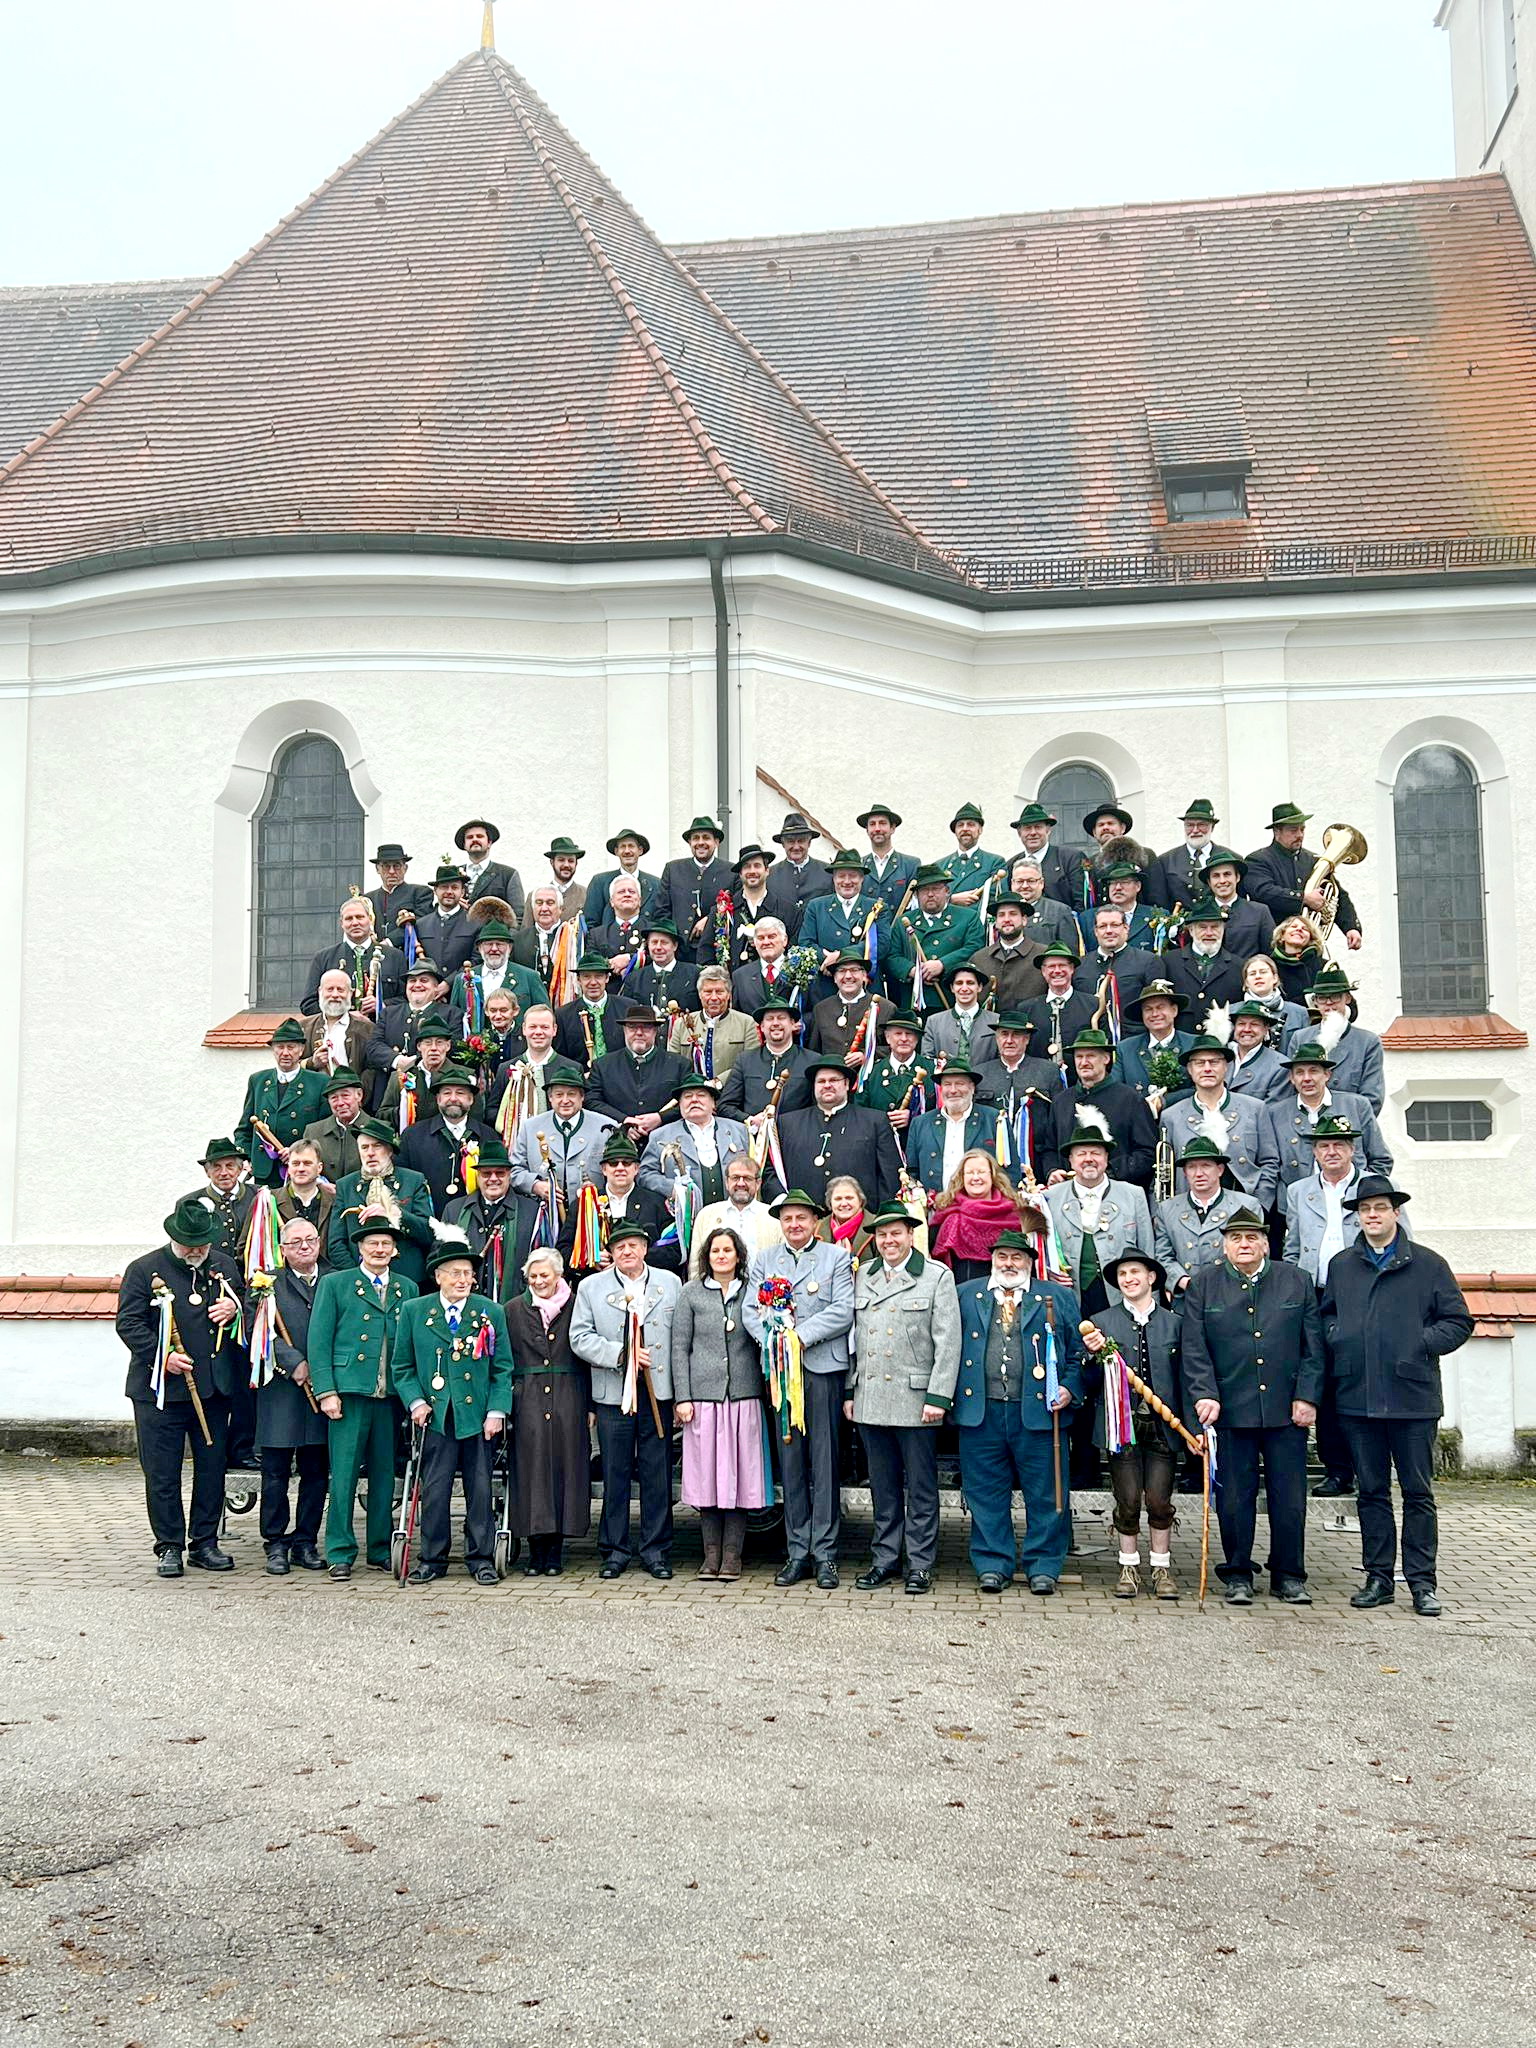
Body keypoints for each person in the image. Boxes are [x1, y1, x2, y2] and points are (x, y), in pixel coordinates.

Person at [1321, 1177, 1473, 1617]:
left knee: (1417, 1493)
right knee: (1371, 1492)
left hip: (1412, 1397)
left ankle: (1423, 1583)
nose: (1372, 1216)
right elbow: (1327, 1315)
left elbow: (1458, 1321)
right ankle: (1379, 1578)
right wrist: (1340, 1338)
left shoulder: (1428, 1264)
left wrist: (1419, 1343)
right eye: (1365, 1209)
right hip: (1357, 1395)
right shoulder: (1342, 1265)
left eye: (1380, 1208)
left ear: (1396, 1213)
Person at [1180, 1207, 1323, 1606]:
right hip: (1229, 1409)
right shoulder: (1204, 1284)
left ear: (1265, 1243)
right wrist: (1204, 1393)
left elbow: (1313, 1348)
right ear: (1224, 1245)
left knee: (1289, 1498)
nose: (1244, 1244)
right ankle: (1238, 1573)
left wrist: (1307, 1396)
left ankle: (1289, 1575)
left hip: (1286, 1409)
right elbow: (1194, 1347)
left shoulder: (1296, 1281)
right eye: (1236, 1238)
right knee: (1234, 1499)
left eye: (1252, 1238)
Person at [115, 1196, 246, 1577]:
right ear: (174, 1238)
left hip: (213, 1390)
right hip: (160, 1393)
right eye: (189, 1245)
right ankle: (169, 1545)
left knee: (212, 1470)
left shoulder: (222, 1265)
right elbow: (129, 1323)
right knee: (162, 1473)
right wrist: (163, 1357)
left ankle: (204, 1543)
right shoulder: (144, 1270)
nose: (196, 1252)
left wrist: (234, 1308)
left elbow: (244, 1304)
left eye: (202, 1245)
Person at [952, 1227, 1082, 1593]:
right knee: (985, 1493)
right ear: (992, 1260)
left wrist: (1069, 1388)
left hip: (1039, 1412)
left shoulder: (1056, 1297)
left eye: (1017, 1257)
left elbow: (1077, 1353)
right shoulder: (965, 1295)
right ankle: (993, 1563)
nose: (1009, 1263)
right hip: (981, 1411)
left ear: (1030, 1262)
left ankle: (1044, 1566)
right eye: (1002, 1257)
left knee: (1046, 1493)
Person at [846, 1204, 961, 1594]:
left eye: (896, 1233)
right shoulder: (863, 1276)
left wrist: (938, 1396)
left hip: (916, 1400)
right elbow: (852, 1340)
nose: (889, 1241)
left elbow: (948, 1342)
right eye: (882, 1235)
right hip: (871, 1397)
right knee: (883, 1487)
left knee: (922, 1488)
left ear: (911, 1235)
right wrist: (850, 1390)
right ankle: (885, 1559)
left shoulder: (936, 1276)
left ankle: (921, 1564)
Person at [746, 1190, 856, 1587]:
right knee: (790, 1461)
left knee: (824, 1462)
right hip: (780, 1372)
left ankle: (824, 1554)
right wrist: (775, 1340)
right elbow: (750, 1310)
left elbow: (843, 1309)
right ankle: (796, 1552)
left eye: (801, 1218)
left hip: (820, 1367)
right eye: (788, 1218)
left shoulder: (836, 1258)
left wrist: (799, 1337)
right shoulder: (764, 1260)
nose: (794, 1225)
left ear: (815, 1221)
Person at [392, 1235, 512, 1585]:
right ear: (438, 1276)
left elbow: (503, 1368)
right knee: (434, 1490)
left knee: (480, 1488)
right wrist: (415, 1402)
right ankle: (432, 1558)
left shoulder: (490, 1312)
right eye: (455, 1273)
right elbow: (402, 1366)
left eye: (468, 1274)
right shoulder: (415, 1311)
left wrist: (497, 1411)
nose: (463, 1280)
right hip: (436, 1416)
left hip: (477, 1416)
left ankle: (481, 1558)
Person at [308, 1217, 418, 1580]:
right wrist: (326, 1391)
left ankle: (380, 1549)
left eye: (386, 1244)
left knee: (384, 1476)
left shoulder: (407, 1288)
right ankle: (339, 1551)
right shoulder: (335, 1284)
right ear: (360, 1247)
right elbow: (319, 1341)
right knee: (343, 1476)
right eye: (373, 1243)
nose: (379, 1249)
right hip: (349, 1393)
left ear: (395, 1249)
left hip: (390, 1396)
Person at [571, 1220, 682, 1579]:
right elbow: (579, 1337)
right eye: (620, 1247)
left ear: (645, 1249)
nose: (627, 1251)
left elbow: (681, 1339)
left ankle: (656, 1550)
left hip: (657, 1392)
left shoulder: (671, 1283)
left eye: (633, 1245)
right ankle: (615, 1551)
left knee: (656, 1473)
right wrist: (622, 1354)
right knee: (615, 1472)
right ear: (611, 1253)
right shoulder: (591, 1287)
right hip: (613, 1393)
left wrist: (680, 1394)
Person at [1081, 1251, 1190, 1599]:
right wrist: (1091, 1355)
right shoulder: (1101, 1321)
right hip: (1121, 1426)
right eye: (1123, 1274)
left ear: (1151, 1278)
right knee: (1127, 1500)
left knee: (1158, 1500)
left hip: (1163, 1426)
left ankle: (1161, 1568)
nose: (1129, 1279)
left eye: (1135, 1272)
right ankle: (1128, 1567)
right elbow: (1089, 1381)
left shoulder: (1175, 1323)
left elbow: (1186, 1377)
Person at [672, 1226, 770, 1580]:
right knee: (707, 1480)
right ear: (707, 1256)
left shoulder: (754, 1292)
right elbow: (679, 1347)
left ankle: (732, 1557)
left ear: (739, 1255)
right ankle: (710, 1556)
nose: (722, 1256)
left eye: (728, 1250)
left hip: (743, 1398)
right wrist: (683, 1397)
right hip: (704, 1401)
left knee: (739, 1479)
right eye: (715, 1251)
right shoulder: (691, 1293)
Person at [504, 1247, 592, 1574]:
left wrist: (591, 1405)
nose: (539, 1281)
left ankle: (555, 1550)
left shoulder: (578, 1305)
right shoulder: (512, 1309)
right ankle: (534, 1549)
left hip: (570, 1395)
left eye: (545, 1275)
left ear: (559, 1276)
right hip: (527, 1398)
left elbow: (588, 1358)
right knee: (531, 1470)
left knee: (566, 1469)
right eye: (534, 1276)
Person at [257, 1215, 332, 1575]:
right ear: (283, 1249)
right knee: (275, 1473)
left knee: (316, 1472)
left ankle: (305, 1541)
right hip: (281, 1392)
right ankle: (275, 1542)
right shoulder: (266, 1284)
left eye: (310, 1240)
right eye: (295, 1242)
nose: (304, 1246)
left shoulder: (336, 1279)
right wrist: (293, 1362)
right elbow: (257, 1333)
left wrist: (320, 1368)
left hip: (323, 1388)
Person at [1157, 1034, 1280, 1214]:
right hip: (1189, 1210)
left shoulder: (1254, 1108)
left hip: (1244, 1208)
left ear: (1226, 1067)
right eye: (1199, 1063)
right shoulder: (1171, 1116)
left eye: (1214, 1062)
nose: (1207, 1068)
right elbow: (1163, 1173)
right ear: (1190, 1069)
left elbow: (1270, 1161)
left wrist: (1259, 1205)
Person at [772, 1058, 902, 1209]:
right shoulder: (787, 1123)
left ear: (846, 1084)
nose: (827, 1085)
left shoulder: (875, 1121)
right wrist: (785, 1203)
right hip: (803, 1216)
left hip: (862, 1217)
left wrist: (882, 1214)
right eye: (821, 1081)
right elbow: (771, 1170)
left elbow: (890, 1174)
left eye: (834, 1080)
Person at [1265, 1039, 1392, 1194]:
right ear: (1291, 1078)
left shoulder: (1356, 1105)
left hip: (1351, 1200)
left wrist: (1364, 1193)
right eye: (1299, 1072)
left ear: (1327, 1075)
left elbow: (1381, 1160)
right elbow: (1271, 1165)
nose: (1306, 1078)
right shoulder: (1276, 1113)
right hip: (1297, 1202)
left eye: (1313, 1071)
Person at [328, 1116, 435, 1288]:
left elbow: (428, 1234)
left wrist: (394, 1214)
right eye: (364, 1147)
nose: (370, 1153)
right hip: (358, 1283)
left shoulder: (413, 1180)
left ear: (390, 1150)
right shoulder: (345, 1186)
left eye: (377, 1146)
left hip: (408, 1281)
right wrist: (357, 1275)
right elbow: (336, 1243)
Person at [1244, 801, 1363, 951]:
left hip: (1309, 946)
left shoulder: (1313, 860)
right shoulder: (1258, 860)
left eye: (1302, 829)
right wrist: (1303, 898)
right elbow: (1263, 891)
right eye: (1293, 830)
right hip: (1272, 944)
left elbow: (1339, 895)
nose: (1300, 835)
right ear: (1277, 832)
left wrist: (1351, 928)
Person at [1045, 1030, 1158, 1186]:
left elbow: (1147, 1152)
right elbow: (1049, 1148)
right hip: (1069, 1192)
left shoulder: (1130, 1099)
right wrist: (1053, 1170)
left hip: (1117, 1191)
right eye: (1079, 1057)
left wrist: (1110, 1172)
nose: (1084, 1062)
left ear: (1106, 1058)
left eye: (1090, 1056)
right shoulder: (1061, 1101)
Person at [559, 1129, 674, 1280]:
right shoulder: (584, 1203)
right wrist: (590, 1259)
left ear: (636, 1168)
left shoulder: (656, 1203)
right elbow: (563, 1250)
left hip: (646, 1283)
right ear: (604, 1169)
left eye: (627, 1163)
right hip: (596, 1283)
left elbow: (673, 1249)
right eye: (613, 1163)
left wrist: (631, 1260)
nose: (620, 1168)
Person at [511, 1058, 617, 1215]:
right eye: (559, 1095)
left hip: (593, 1216)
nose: (565, 1101)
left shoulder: (607, 1127)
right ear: (550, 1098)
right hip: (544, 1215)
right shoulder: (530, 1127)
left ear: (582, 1097)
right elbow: (514, 1170)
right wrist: (535, 1185)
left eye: (571, 1094)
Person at [233, 1019, 329, 1185]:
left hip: (301, 1170)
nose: (285, 1053)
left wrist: (296, 1152)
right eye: (280, 1047)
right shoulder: (258, 1080)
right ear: (273, 1050)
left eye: (291, 1047)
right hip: (264, 1171)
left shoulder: (319, 1082)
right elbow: (244, 1130)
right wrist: (246, 1158)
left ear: (301, 1050)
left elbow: (324, 1131)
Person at [1153, 1133, 1251, 1293]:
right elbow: (1163, 1256)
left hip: (1233, 1293)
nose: (1199, 1173)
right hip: (1186, 1295)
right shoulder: (1167, 1209)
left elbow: (1252, 1254)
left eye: (1206, 1165)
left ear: (1220, 1170)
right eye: (1191, 1167)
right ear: (1185, 1173)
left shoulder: (1246, 1205)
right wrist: (1184, 1282)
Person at [638, 1076, 752, 1209]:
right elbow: (645, 1173)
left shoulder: (739, 1130)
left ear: (713, 1103)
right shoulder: (660, 1136)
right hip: (684, 1216)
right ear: (680, 1104)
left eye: (701, 1095)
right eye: (688, 1096)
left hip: (735, 1212)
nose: (694, 1100)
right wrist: (672, 1188)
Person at [585, 1003, 693, 1142]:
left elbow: (691, 1100)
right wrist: (623, 1121)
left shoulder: (679, 1065)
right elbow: (591, 1100)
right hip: (617, 1144)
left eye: (646, 1027)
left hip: (667, 1142)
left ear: (655, 1031)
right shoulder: (603, 1065)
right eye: (632, 1027)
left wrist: (660, 1118)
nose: (639, 1032)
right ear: (624, 1030)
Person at [1285, 964, 1385, 1114]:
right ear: (1315, 1001)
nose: (1329, 1003)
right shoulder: (1300, 1038)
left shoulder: (1367, 1042)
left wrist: (1341, 1125)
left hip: (1348, 1122)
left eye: (1335, 996)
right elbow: (1290, 1090)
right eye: (1322, 998)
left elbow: (1372, 1098)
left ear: (1347, 998)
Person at [398, 1065, 496, 1211]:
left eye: (460, 1093)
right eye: (447, 1093)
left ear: (471, 1099)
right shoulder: (412, 1136)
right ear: (438, 1099)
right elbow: (403, 1182)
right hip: (427, 1218)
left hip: (475, 1219)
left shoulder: (488, 1136)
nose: (453, 1098)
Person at [904, 1060, 1003, 1199]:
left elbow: (1009, 1168)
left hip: (982, 1205)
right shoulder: (920, 1123)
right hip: (934, 1206)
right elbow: (912, 1172)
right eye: (947, 1084)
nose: (953, 1090)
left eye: (960, 1083)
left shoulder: (993, 1119)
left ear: (972, 1087)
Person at [300, 894, 404, 1018]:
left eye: (360, 917)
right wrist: (344, 1015)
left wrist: (382, 1004)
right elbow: (308, 1005)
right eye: (349, 918)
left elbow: (407, 999)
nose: (355, 923)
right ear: (342, 923)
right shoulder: (323, 958)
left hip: (383, 1027)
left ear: (370, 919)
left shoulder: (395, 956)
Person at [931, 1149, 1027, 1283]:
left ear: (992, 1175)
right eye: (970, 1173)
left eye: (981, 1172)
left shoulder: (1015, 1213)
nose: (976, 1177)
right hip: (963, 1291)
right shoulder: (949, 1215)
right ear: (962, 1177)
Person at [648, 816, 734, 963]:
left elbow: (734, 906)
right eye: (695, 838)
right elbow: (662, 910)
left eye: (706, 837)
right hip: (680, 952)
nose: (700, 842)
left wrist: (710, 919)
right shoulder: (673, 869)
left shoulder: (731, 872)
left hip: (715, 951)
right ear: (690, 843)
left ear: (716, 842)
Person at [894, 866, 984, 1004]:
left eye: (936, 889)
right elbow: (892, 956)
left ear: (947, 891)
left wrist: (942, 964)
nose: (930, 894)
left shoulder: (968, 917)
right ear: (916, 895)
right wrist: (913, 971)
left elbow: (975, 947)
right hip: (913, 1001)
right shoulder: (903, 922)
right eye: (924, 890)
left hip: (952, 999)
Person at [444, 1134, 519, 1299]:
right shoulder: (454, 1210)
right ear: (477, 1176)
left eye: (500, 1173)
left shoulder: (531, 1212)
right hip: (464, 1302)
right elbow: (439, 1258)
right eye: (486, 1173)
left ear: (509, 1175)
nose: (493, 1179)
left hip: (512, 1303)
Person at [718, 996, 813, 1119]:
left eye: (781, 1018)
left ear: (793, 1024)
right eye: (770, 1019)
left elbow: (817, 1109)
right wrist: (750, 1120)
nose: (775, 1023)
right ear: (762, 1027)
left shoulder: (811, 1061)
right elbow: (725, 1106)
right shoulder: (745, 1060)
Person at [689, 1154, 782, 1275]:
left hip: (762, 1286)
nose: (741, 1183)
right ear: (727, 1182)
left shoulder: (773, 1217)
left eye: (747, 1178)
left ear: (758, 1183)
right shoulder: (706, 1215)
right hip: (716, 1286)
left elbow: (782, 1263)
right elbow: (695, 1266)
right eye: (735, 1178)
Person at [1161, 900, 1246, 1025]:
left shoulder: (1239, 966)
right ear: (1191, 930)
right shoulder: (1169, 962)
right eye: (1202, 927)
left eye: (1215, 927)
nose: (1209, 933)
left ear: (1223, 930)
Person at [807, 948, 895, 1064]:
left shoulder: (885, 1008)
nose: (848, 976)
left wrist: (867, 1055)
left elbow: (894, 1048)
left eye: (854, 970)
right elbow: (813, 1052)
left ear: (864, 975)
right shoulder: (821, 1009)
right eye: (842, 971)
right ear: (835, 978)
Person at [1111, 980, 1196, 1097]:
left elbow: (1201, 1088)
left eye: (1160, 1007)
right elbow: (1116, 1089)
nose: (1155, 1014)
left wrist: (1164, 1101)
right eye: (1148, 1009)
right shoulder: (1125, 1048)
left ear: (1174, 1010)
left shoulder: (1193, 1044)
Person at [967, 890, 1048, 1012]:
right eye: (1001, 915)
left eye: (1013, 914)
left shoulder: (1043, 956)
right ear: (996, 922)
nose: (1007, 919)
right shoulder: (979, 959)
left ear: (1024, 920)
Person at [1019, 942, 1097, 1065]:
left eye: (1062, 965)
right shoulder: (1026, 1009)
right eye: (1051, 966)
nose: (1057, 971)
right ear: (1043, 971)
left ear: (1072, 969)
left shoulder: (1093, 1005)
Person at [670, 966, 754, 1081]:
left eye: (719, 992)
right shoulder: (681, 1024)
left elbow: (750, 1063)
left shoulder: (746, 1023)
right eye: (708, 992)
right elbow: (673, 1064)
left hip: (731, 1089)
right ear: (700, 994)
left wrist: (719, 1082)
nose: (714, 997)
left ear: (728, 994)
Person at [180, 1136, 254, 1259]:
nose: (223, 1173)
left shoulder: (259, 1195)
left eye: (230, 1166)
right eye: (216, 1167)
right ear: (207, 1172)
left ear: (240, 1169)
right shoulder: (189, 1203)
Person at [556, 952, 629, 1066]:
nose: (593, 982)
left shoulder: (626, 1007)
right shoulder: (563, 1015)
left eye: (598, 976)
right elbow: (561, 1058)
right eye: (586, 977)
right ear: (578, 980)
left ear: (607, 978)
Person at [1202, 847, 1274, 958]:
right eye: (1216, 876)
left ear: (1237, 877)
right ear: (1209, 882)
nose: (1222, 881)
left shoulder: (1259, 912)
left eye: (1227, 874)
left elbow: (1270, 952)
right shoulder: (1200, 912)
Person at [921, 963, 997, 1068]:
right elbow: (927, 1061)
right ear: (952, 988)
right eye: (959, 983)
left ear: (979, 987)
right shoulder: (934, 1022)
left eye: (970, 983)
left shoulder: (996, 1020)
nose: (964, 988)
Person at [582, 827, 661, 928]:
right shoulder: (600, 882)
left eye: (631, 846)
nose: (627, 851)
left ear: (640, 850)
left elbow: (660, 922)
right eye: (623, 847)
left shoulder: (655, 884)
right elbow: (590, 922)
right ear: (616, 851)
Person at [303, 967, 375, 1077]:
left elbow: (373, 1070)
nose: (335, 995)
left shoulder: (367, 1029)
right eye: (330, 989)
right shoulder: (303, 1028)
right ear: (320, 992)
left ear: (351, 993)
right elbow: (288, 1066)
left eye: (340, 989)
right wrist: (311, 1063)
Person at [1009, 801, 1083, 907]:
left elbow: (1080, 902)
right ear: (1019, 833)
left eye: (1038, 827)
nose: (1033, 832)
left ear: (1048, 830)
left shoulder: (1070, 858)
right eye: (1027, 828)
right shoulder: (1011, 865)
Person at [259, 1138, 334, 1242]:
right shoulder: (268, 1200)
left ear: (319, 1168)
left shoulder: (335, 1200)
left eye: (307, 1163)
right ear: (289, 1167)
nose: (301, 1169)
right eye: (295, 1163)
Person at [413, 860, 479, 978]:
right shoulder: (421, 925)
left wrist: (448, 983)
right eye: (444, 887)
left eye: (454, 887)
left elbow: (477, 960)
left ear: (462, 892)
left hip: (462, 986)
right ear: (435, 891)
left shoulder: (475, 923)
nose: (449, 892)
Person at [303, 1067, 369, 1182]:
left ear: (359, 1095)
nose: (340, 1103)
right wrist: (320, 1184)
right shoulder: (313, 1132)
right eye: (334, 1098)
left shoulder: (376, 1130)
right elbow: (306, 1169)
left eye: (345, 1096)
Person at [1154, 796, 1221, 908]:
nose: (1195, 830)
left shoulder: (1233, 857)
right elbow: (1160, 900)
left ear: (1212, 827)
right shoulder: (1166, 860)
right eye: (1190, 825)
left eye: (1201, 825)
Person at [454, 816, 524, 919]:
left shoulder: (508, 874)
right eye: (470, 837)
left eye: (480, 836)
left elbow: (518, 916)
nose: (475, 839)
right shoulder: (453, 873)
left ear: (489, 843)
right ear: (464, 845)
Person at [1004, 859, 1082, 951]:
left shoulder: (1060, 911)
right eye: (1020, 881)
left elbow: (1069, 951)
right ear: (1012, 883)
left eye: (1031, 881)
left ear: (1041, 883)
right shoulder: (1003, 913)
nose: (1025, 886)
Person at [1226, 1000, 1292, 1108]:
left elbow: (1273, 1111)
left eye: (1254, 1024)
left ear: (1266, 1029)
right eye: (1241, 1024)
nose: (1247, 1029)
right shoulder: (1220, 1058)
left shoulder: (1280, 1067)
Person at [940, 801, 1006, 907]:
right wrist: (951, 899)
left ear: (980, 830)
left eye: (971, 824)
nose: (965, 828)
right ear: (955, 831)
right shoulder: (940, 866)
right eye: (960, 825)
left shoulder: (994, 862)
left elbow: (996, 899)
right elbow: (931, 900)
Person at [589, 874, 649, 983]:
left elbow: (661, 957)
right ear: (611, 901)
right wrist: (611, 964)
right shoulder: (597, 935)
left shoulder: (653, 930)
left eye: (632, 891)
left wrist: (630, 959)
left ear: (640, 900)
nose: (627, 894)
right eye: (621, 892)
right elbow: (591, 964)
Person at [1239, 952, 1308, 1042]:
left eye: (1263, 972)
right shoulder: (1232, 1012)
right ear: (1246, 982)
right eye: (1252, 974)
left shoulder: (1299, 1013)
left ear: (1275, 978)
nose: (1258, 976)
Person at [770, 811, 832, 911]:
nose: (796, 847)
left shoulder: (828, 872)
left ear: (809, 843)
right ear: (783, 844)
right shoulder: (769, 875)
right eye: (790, 841)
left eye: (801, 841)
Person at [366, 841, 432, 934]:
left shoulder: (420, 893)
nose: (392, 871)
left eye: (397, 866)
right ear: (377, 869)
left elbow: (420, 923)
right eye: (386, 866)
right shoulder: (368, 899)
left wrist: (390, 940)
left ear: (405, 868)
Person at [511, 886, 571, 987]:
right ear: (533, 908)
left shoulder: (572, 937)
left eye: (550, 903)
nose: (544, 908)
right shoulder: (518, 940)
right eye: (539, 903)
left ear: (560, 909)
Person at [857, 801, 919, 896]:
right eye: (872, 824)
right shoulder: (858, 866)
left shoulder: (910, 865)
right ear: (867, 830)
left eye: (882, 823)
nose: (877, 829)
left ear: (892, 828)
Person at [522, 836, 587, 927]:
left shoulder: (586, 895)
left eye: (571, 861)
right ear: (552, 862)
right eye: (561, 860)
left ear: (576, 864)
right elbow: (526, 931)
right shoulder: (535, 896)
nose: (566, 865)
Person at [820, 1175, 875, 1268]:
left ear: (860, 1200)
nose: (844, 1203)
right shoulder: (816, 1229)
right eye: (838, 1199)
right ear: (830, 1203)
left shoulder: (876, 1227)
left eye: (849, 1198)